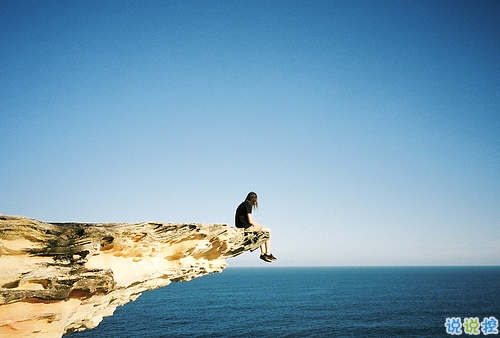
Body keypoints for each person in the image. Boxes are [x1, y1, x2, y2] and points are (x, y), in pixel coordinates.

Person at [235, 192, 277, 263]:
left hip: (240, 226)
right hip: (245, 227)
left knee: (261, 232)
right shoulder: (248, 205)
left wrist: (258, 227)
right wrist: (258, 226)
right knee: (268, 231)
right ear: (254, 200)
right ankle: (268, 253)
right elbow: (250, 220)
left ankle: (263, 253)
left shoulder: (242, 205)